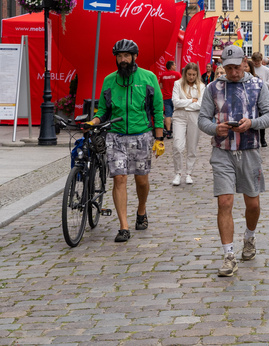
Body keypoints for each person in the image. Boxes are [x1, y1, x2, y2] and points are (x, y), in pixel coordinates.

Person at [198, 45, 269, 277]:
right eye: (228, 68)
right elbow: (202, 119)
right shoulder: (213, 88)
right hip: (222, 152)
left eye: (237, 67)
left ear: (244, 63)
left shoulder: (257, 86)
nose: (233, 73)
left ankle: (249, 238)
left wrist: (251, 123)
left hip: (249, 150)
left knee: (252, 204)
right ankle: (228, 255)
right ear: (223, 67)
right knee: (225, 203)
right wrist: (215, 128)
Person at [88, 39, 164, 243]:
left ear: (134, 57)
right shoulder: (109, 80)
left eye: (126, 56)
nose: (123, 60)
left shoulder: (148, 78)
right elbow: (103, 111)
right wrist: (94, 121)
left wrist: (159, 138)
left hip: (142, 135)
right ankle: (123, 226)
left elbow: (157, 109)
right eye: (119, 56)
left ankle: (141, 211)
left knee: (142, 180)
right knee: (119, 178)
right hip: (116, 135)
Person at [171, 62, 205, 186]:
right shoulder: (178, 84)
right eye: (189, 74)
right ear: (185, 74)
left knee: (192, 146)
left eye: (194, 75)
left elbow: (200, 105)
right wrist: (191, 100)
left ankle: (189, 173)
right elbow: (175, 102)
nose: (191, 77)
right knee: (177, 146)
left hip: (194, 117)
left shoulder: (201, 86)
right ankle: (178, 173)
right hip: (179, 116)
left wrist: (184, 103)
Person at [252, 52, 269, 148]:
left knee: (262, 116)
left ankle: (263, 138)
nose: (256, 63)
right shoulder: (251, 69)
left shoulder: (266, 70)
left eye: (258, 61)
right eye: (254, 61)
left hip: (263, 95)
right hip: (252, 95)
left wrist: (261, 83)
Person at [158, 60, 181, 139]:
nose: (175, 66)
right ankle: (178, 131)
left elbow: (160, 86)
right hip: (176, 97)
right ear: (171, 66)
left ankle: (168, 132)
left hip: (166, 97)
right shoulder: (177, 74)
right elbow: (182, 84)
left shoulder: (163, 75)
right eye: (174, 65)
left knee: (168, 115)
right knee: (177, 114)